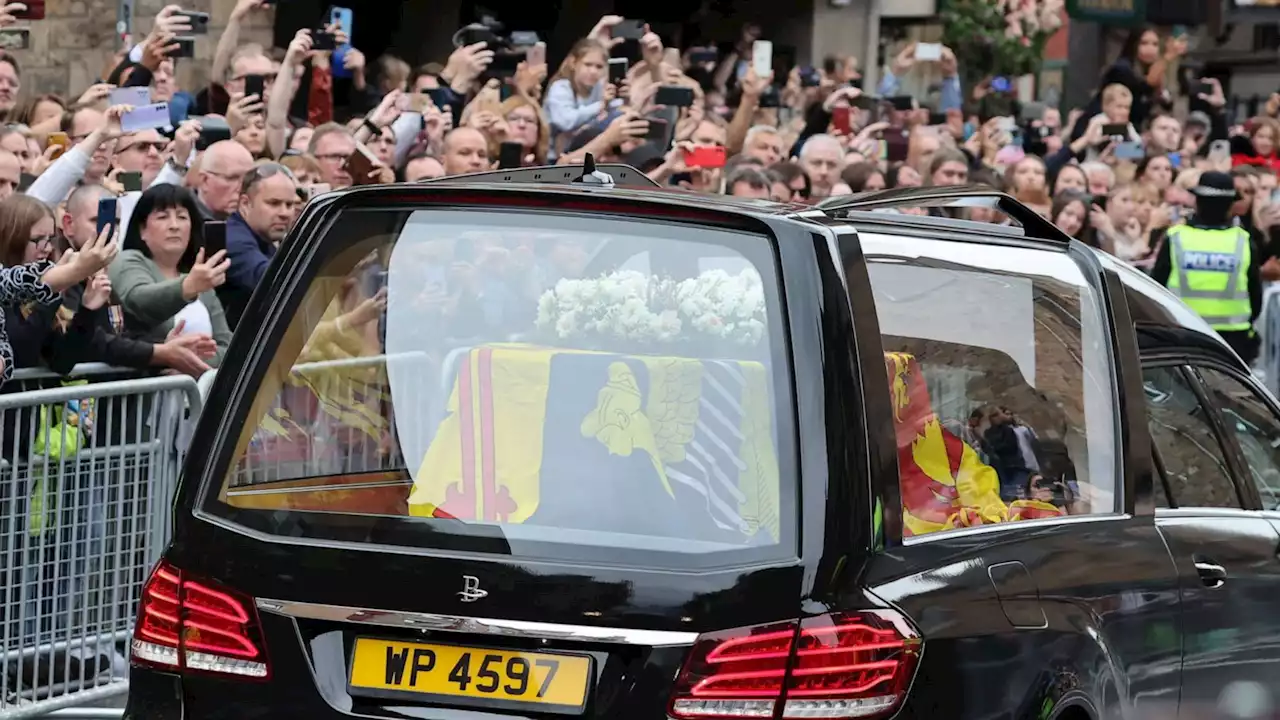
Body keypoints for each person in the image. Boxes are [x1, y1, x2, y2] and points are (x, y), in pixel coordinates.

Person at [108, 184, 234, 367]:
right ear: (142, 229)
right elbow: (138, 300)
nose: (174, 226)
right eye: (162, 217)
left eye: (182, 217)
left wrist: (188, 362)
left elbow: (226, 346)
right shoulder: (128, 261)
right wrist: (188, 287)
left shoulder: (198, 278)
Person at [1150, 171, 1262, 364]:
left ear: (1197, 202)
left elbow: (1155, 286)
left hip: (1182, 334)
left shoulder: (1176, 237)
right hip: (1232, 340)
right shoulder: (1242, 241)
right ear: (1230, 205)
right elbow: (1255, 298)